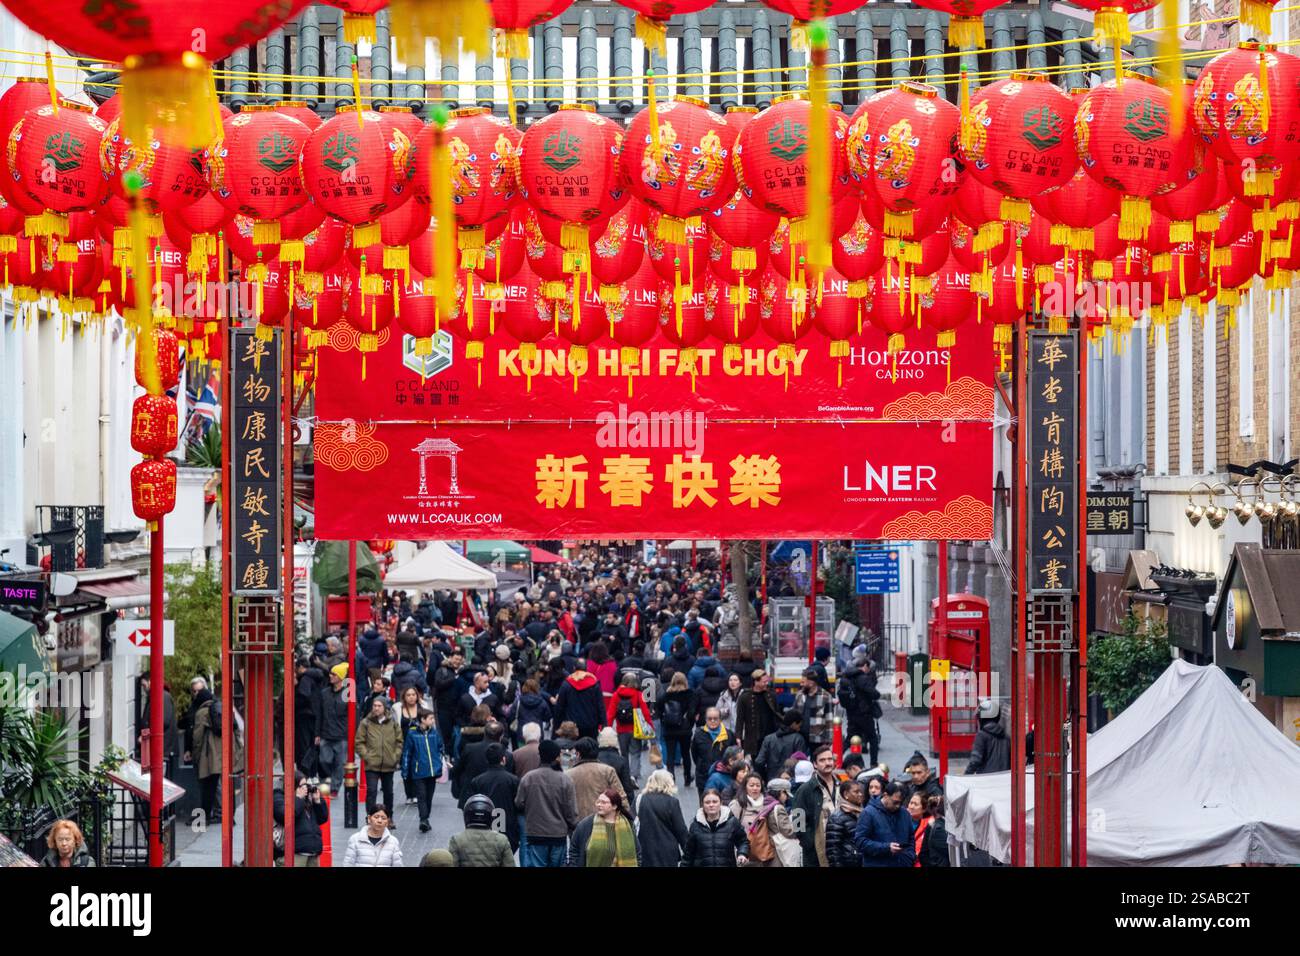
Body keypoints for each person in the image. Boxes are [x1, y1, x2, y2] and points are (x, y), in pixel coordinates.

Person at [515, 739, 579, 867]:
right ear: (557, 757)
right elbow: (571, 811)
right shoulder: (565, 780)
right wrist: (573, 827)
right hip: (558, 834)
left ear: (540, 755)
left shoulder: (529, 778)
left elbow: (519, 803)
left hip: (536, 833)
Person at [355, 695, 403, 825]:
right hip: (372, 763)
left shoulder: (392, 722)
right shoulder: (366, 722)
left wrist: (395, 756)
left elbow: (399, 741)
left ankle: (388, 817)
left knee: (388, 792)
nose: (376, 708)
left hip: (388, 762)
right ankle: (370, 816)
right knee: (371, 791)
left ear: (384, 707)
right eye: (374, 706)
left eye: (379, 706)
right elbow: (359, 742)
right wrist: (367, 756)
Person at [791, 744, 839, 867]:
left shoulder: (842, 785)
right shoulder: (805, 790)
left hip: (840, 845)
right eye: (822, 760)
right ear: (815, 764)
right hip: (816, 851)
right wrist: (810, 843)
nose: (827, 763)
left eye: (829, 759)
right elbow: (798, 822)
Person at [568, 788, 641, 867]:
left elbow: (637, 852)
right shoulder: (587, 824)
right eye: (598, 802)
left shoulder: (627, 825)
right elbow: (574, 849)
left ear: (614, 806)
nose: (599, 805)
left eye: (603, 802)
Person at [728, 771, 787, 867]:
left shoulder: (769, 804)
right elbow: (730, 830)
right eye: (751, 785)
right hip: (746, 854)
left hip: (768, 852)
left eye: (758, 785)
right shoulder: (737, 805)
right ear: (745, 787)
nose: (755, 788)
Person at [470, 744, 521, 852]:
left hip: (485, 825)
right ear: (503, 759)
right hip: (508, 824)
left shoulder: (477, 781)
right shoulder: (513, 780)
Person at [400, 709, 444, 833]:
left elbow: (440, 747)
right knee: (422, 796)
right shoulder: (412, 733)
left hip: (432, 770)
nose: (433, 721)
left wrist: (441, 760)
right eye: (430, 718)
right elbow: (407, 753)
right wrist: (405, 770)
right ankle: (423, 819)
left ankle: (426, 818)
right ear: (423, 720)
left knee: (429, 796)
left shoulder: (434, 733)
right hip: (418, 771)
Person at [854, 780, 915, 868]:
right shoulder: (868, 813)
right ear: (885, 795)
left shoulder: (904, 813)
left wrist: (910, 856)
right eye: (895, 802)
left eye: (901, 803)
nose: (898, 806)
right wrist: (886, 848)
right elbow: (860, 841)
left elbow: (911, 838)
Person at [274, 772, 330, 866]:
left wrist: (317, 801)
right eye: (303, 786)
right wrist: (298, 798)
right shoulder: (279, 798)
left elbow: (323, 818)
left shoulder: (307, 799)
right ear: (293, 786)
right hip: (294, 854)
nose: (306, 789)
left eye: (307, 785)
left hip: (313, 852)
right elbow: (285, 816)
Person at [635, 769, 689, 868]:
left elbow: (631, 823)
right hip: (667, 851)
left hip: (645, 848)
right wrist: (689, 852)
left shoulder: (639, 799)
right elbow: (681, 830)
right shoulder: (672, 802)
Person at [682, 789, 749, 868]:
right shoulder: (695, 826)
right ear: (702, 805)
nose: (711, 805)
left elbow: (743, 841)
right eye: (707, 802)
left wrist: (742, 853)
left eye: (715, 802)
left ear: (721, 803)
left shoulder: (732, 822)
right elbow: (688, 854)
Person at [606, 671, 654, 783]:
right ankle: (634, 776)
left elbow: (610, 714)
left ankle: (625, 775)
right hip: (635, 729)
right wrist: (650, 726)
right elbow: (645, 712)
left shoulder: (616, 695)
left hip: (621, 729)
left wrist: (607, 728)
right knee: (635, 753)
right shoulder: (638, 695)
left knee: (624, 754)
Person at [837, 647, 881, 766]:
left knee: (849, 738)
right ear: (865, 666)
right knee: (873, 738)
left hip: (851, 712)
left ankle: (836, 758)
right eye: (868, 668)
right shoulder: (862, 678)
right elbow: (874, 693)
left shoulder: (847, 677)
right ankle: (873, 763)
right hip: (864, 713)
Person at [448, 794, 516, 867]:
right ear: (490, 816)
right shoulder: (502, 839)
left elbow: (452, 864)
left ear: (467, 816)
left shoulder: (456, 839)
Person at [566, 736, 626, 819]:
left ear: (578, 754)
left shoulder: (569, 774)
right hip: (604, 819)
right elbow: (620, 797)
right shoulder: (607, 771)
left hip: (578, 822)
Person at [190, 681, 224, 825]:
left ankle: (204, 817)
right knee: (216, 784)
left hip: (206, 754)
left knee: (206, 787)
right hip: (220, 753)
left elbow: (197, 737)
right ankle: (222, 813)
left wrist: (195, 756)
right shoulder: (218, 707)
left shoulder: (201, 712)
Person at [314, 663, 351, 794]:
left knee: (339, 764)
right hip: (326, 733)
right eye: (330, 673)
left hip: (341, 735)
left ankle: (334, 788)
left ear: (341, 677)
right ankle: (325, 782)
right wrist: (317, 733)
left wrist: (352, 734)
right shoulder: (324, 693)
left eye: (334, 674)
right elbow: (319, 714)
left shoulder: (348, 693)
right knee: (324, 760)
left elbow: (353, 715)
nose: (330, 676)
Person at [658, 672, 698, 785]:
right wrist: (690, 723)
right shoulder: (690, 694)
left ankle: (671, 778)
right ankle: (687, 777)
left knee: (670, 755)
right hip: (685, 730)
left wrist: (664, 721)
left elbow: (659, 709)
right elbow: (691, 712)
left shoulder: (666, 695)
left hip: (669, 729)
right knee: (686, 754)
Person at [138, 671, 178, 776]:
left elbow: (163, 721)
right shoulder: (155, 696)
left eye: (144, 685)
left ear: (150, 681)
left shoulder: (162, 696)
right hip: (154, 750)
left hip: (160, 750)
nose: (143, 688)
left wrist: (146, 735)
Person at [735, 670, 782, 758]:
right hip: (753, 738)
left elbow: (777, 714)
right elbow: (740, 719)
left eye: (767, 681)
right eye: (764, 682)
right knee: (755, 762)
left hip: (770, 736)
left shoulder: (771, 695)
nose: (766, 684)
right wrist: (738, 736)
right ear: (756, 682)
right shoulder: (744, 697)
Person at [554, 659, 605, 739]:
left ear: (574, 668)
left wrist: (556, 725)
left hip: (571, 727)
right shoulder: (594, 684)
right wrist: (604, 723)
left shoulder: (567, 684)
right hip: (590, 725)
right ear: (586, 669)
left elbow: (560, 706)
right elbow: (600, 705)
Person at [755, 709, 808, 783]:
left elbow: (759, 762)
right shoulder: (798, 739)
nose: (799, 729)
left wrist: (764, 777)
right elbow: (801, 763)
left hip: (771, 781)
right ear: (793, 724)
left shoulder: (768, 739)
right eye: (799, 726)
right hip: (790, 782)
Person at [825, 777, 866, 868]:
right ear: (846, 794)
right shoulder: (837, 818)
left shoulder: (863, 813)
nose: (860, 794)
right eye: (856, 792)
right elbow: (833, 849)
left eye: (861, 792)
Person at [764, 779, 804, 868]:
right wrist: (799, 830)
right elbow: (787, 831)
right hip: (779, 847)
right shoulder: (778, 808)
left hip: (770, 845)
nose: (787, 797)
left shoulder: (766, 803)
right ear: (781, 792)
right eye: (786, 794)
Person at [966, 698, 1012, 775]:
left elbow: (975, 761)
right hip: (1005, 779)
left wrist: (965, 776)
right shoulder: (1006, 737)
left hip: (986, 780)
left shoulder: (981, 736)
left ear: (982, 718)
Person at [794, 668, 835, 749]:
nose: (801, 684)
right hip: (800, 736)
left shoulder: (826, 696)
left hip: (818, 738)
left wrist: (829, 739)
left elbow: (829, 719)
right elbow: (794, 714)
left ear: (811, 683)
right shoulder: (799, 694)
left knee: (816, 760)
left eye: (803, 682)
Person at [396, 686, 422, 805]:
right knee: (406, 769)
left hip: (419, 744)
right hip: (404, 744)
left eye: (413, 695)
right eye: (408, 695)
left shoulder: (422, 708)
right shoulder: (398, 709)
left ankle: (417, 793)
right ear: (404, 697)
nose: (411, 697)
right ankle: (409, 794)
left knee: (417, 769)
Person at [596, 727, 637, 803]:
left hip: (599, 798)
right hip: (616, 799)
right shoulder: (621, 760)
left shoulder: (596, 759)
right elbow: (627, 786)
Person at [909, 793, 950, 867]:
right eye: (911, 803)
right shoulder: (938, 828)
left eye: (915, 804)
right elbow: (950, 850)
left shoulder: (933, 824)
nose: (911, 806)